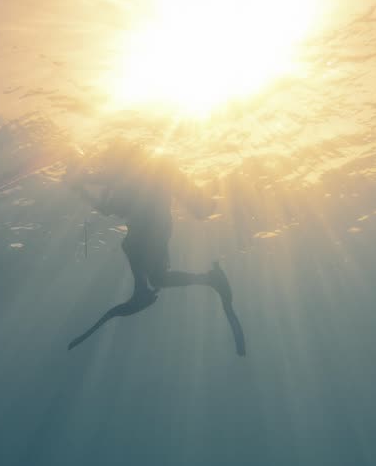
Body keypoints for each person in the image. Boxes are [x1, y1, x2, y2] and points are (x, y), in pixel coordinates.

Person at [67, 146, 245, 355]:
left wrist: (80, 184)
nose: (107, 166)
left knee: (130, 244)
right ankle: (210, 279)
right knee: (160, 278)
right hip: (159, 226)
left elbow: (108, 200)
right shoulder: (139, 172)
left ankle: (142, 290)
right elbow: (108, 198)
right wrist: (80, 184)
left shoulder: (135, 172)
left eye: (109, 161)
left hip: (150, 226)